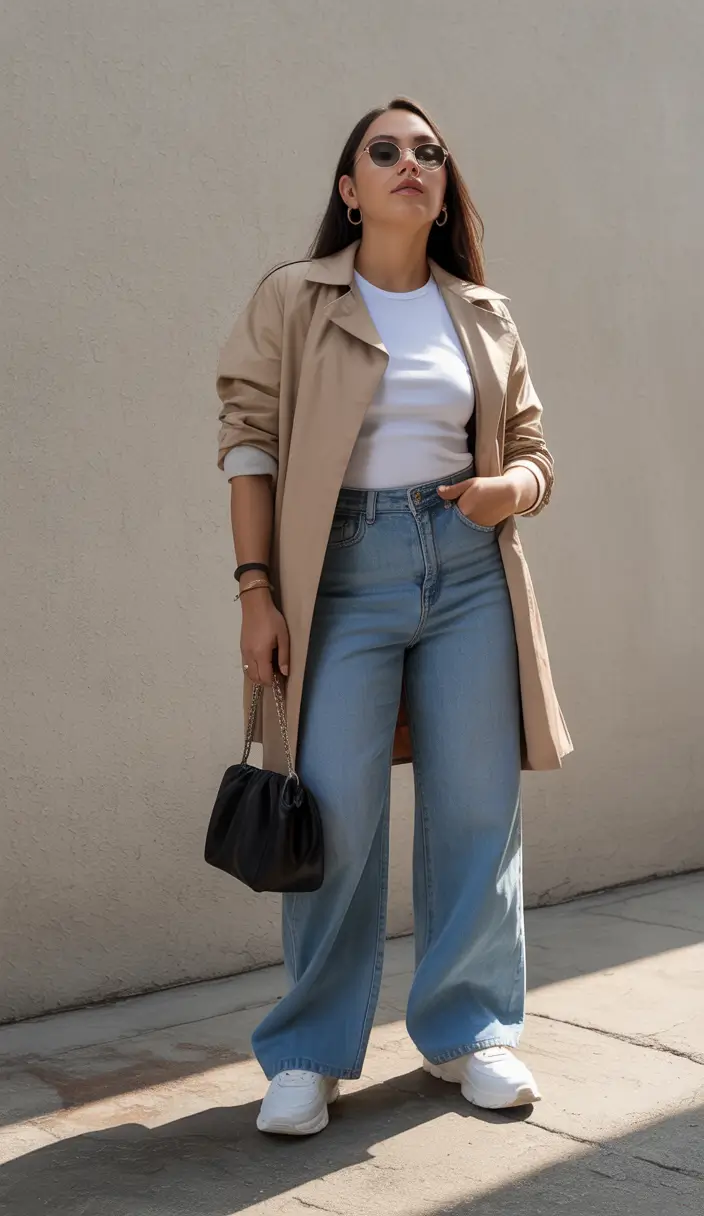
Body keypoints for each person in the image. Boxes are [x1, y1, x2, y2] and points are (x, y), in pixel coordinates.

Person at [216, 97, 572, 1137]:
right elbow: (247, 439)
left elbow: (538, 453)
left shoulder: (483, 312)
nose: (407, 162)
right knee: (332, 814)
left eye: (426, 150)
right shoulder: (295, 297)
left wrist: (510, 491)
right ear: (348, 188)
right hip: (340, 575)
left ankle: (470, 1031)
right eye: (383, 151)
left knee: (475, 809)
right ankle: (309, 1051)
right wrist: (253, 590)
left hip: (466, 571)